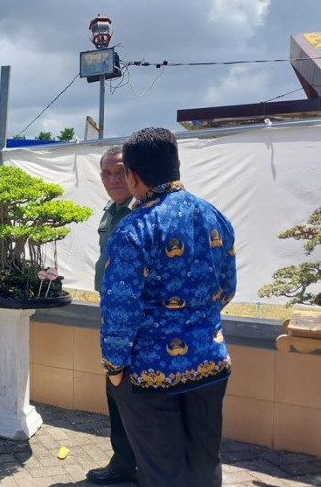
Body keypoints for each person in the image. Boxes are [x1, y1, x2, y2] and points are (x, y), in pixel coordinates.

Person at [100, 127, 237, 487]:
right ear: (177, 163)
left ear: (131, 175)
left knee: (162, 474)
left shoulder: (133, 230)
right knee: (205, 465)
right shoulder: (215, 217)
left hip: (150, 373)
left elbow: (120, 310)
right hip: (210, 362)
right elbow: (227, 289)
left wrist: (114, 368)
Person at [86, 146, 138, 486]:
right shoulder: (112, 210)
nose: (113, 179)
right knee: (115, 391)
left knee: (136, 395)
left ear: (133, 173)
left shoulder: (144, 211)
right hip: (112, 314)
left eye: (119, 171)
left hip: (138, 320)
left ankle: (143, 466)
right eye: (106, 173)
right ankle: (123, 461)